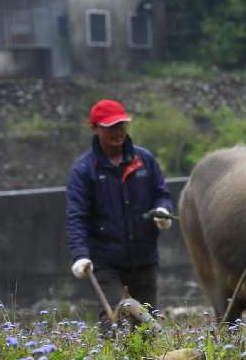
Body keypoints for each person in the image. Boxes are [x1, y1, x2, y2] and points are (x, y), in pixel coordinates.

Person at [65, 99, 174, 332]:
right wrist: (80, 255)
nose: (117, 133)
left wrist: (164, 211)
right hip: (105, 261)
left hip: (144, 257)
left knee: (147, 322)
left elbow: (161, 194)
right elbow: (77, 217)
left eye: (121, 126)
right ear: (95, 128)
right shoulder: (84, 171)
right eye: (110, 127)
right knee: (114, 321)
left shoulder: (145, 160)